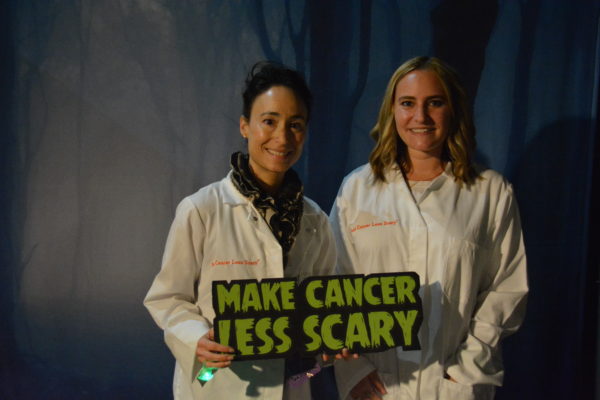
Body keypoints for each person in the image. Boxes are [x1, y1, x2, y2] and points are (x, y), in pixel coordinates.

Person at [330, 56, 528, 400]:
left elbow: (506, 291)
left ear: (453, 110)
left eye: (434, 103)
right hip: (376, 387)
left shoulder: (490, 192)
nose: (420, 117)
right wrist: (355, 372)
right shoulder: (357, 189)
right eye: (408, 103)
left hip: (454, 385)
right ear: (392, 110)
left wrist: (463, 373)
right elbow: (332, 284)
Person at [144, 61, 336, 399]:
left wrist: (329, 346)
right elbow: (168, 298)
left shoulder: (315, 221)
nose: (282, 137)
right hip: (213, 383)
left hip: (292, 385)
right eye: (269, 121)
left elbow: (319, 310)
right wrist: (196, 337)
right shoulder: (202, 210)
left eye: (295, 125)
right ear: (245, 126)